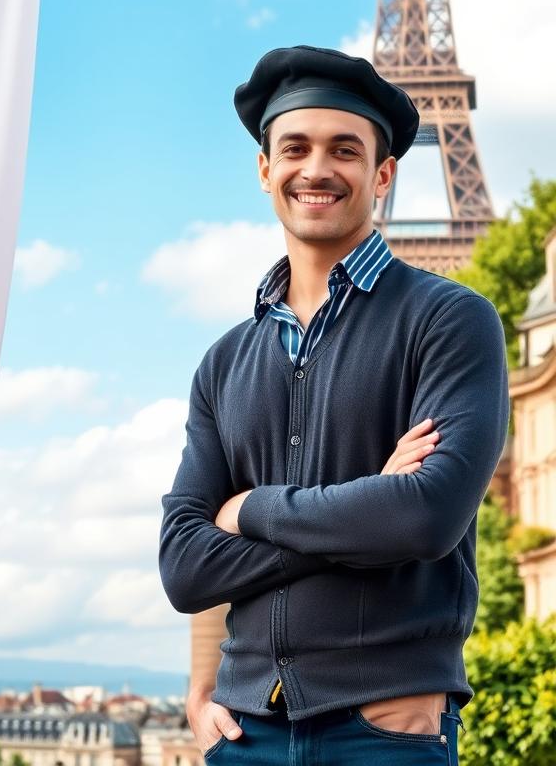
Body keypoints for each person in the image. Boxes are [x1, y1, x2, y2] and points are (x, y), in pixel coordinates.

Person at [158, 44, 510, 764]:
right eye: (295, 147)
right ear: (265, 170)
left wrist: (250, 509)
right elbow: (185, 568)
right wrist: (365, 505)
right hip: (245, 731)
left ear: (382, 174)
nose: (316, 168)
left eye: (344, 149)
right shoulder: (223, 362)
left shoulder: (451, 320)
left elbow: (424, 517)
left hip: (385, 730)